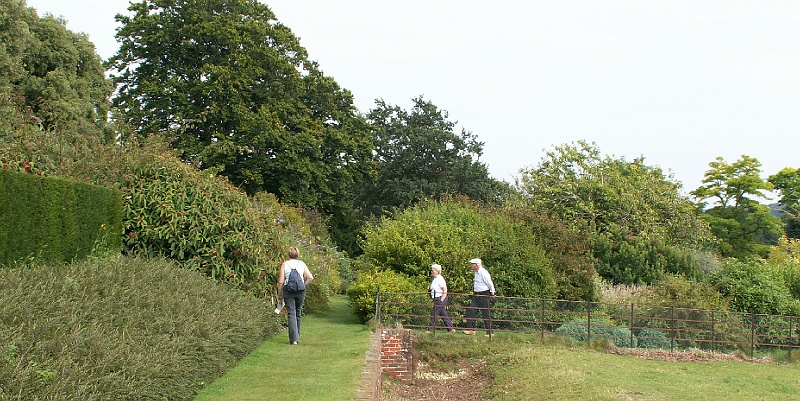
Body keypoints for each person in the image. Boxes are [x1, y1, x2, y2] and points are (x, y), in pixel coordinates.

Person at [277, 246, 314, 345]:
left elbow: (280, 282)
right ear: (297, 254)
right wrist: (303, 285)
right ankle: (297, 337)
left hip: (289, 291)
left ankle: (293, 339)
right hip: (300, 291)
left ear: (288, 254)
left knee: (291, 313)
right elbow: (310, 277)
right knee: (298, 312)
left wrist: (279, 294)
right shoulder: (301, 264)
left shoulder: (285, 264)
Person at [463, 258, 496, 336]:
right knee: (471, 310)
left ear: (476, 265)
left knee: (485, 313)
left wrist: (492, 292)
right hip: (476, 294)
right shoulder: (476, 273)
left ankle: (490, 331)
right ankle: (471, 329)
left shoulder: (483, 273)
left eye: (472, 264)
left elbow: (489, 282)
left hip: (484, 294)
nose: (471, 266)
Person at [428, 264, 456, 333]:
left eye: (433, 270)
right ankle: (451, 329)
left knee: (434, 313)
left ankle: (431, 329)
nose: (431, 271)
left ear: (437, 271)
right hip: (436, 298)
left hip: (440, 298)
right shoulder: (435, 279)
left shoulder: (440, 279)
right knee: (443, 313)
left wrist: (442, 299)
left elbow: (445, 289)